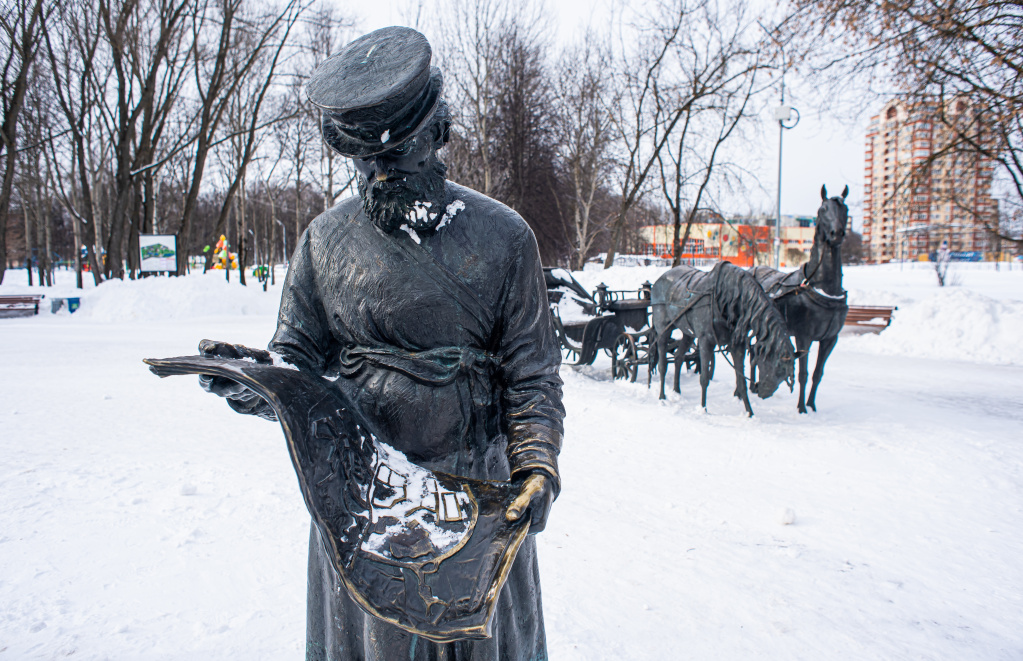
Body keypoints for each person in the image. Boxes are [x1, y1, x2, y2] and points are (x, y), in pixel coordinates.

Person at [200, 26, 564, 661]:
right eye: (365, 160)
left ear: (437, 131)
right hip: (367, 497)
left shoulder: (504, 237)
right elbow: (296, 360)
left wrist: (536, 465)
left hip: (478, 493)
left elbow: (531, 372)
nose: (380, 171)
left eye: (397, 153)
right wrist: (261, 381)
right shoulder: (324, 242)